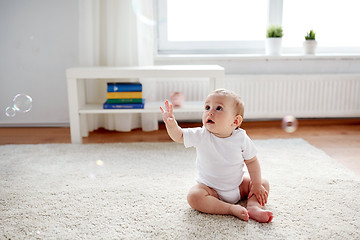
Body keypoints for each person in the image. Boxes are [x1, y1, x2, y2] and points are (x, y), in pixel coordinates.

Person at [160, 88, 273, 223]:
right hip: (211, 189)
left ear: (235, 121)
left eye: (218, 108)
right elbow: (179, 136)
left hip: (238, 186)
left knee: (263, 182)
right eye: (207, 107)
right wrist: (171, 124)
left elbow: (252, 161)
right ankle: (230, 209)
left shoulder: (241, 137)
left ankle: (254, 207)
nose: (210, 112)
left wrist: (256, 184)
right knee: (194, 196)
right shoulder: (201, 135)